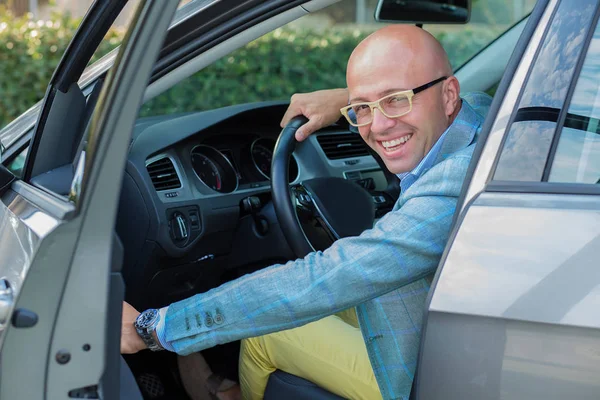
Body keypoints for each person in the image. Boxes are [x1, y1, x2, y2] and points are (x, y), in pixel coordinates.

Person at [121, 24, 492, 400]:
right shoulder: (485, 120)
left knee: (267, 330)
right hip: (451, 328)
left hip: (438, 379)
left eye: (397, 99)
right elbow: (478, 95)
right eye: (363, 108)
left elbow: (320, 280)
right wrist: (346, 101)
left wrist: (151, 328)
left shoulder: (454, 186)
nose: (378, 125)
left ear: (448, 95)